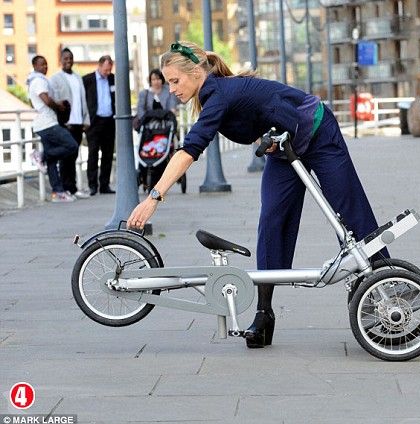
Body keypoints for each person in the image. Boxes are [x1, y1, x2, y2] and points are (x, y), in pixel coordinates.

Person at [127, 41, 388, 349]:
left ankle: (388, 287)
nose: (171, 89)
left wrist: (153, 197)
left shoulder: (219, 94)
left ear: (196, 72)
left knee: (348, 210)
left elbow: (189, 150)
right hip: (284, 148)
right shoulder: (214, 96)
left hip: (317, 132)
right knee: (272, 221)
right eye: (167, 82)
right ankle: (264, 315)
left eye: (175, 80)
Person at [27, 55, 79, 203]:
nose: (45, 67)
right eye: (42, 64)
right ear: (35, 66)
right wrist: (59, 105)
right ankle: (40, 156)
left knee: (51, 162)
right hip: (47, 124)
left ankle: (58, 192)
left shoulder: (34, 81)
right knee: (71, 145)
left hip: (44, 123)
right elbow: (46, 99)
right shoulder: (38, 81)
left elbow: (34, 103)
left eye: (46, 64)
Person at [50, 47, 91, 199]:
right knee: (65, 157)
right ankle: (65, 188)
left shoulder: (78, 78)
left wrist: (86, 120)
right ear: (61, 60)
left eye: (70, 58)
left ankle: (72, 188)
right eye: (65, 58)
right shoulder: (55, 78)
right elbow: (54, 101)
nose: (68, 61)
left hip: (78, 123)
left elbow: (83, 101)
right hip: (65, 123)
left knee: (73, 156)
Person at [83, 55, 116, 196]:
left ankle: (104, 185)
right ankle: (92, 185)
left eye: (109, 70)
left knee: (108, 154)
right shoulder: (87, 80)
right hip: (94, 122)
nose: (108, 73)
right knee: (93, 153)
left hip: (109, 120)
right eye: (106, 70)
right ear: (100, 65)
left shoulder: (112, 78)